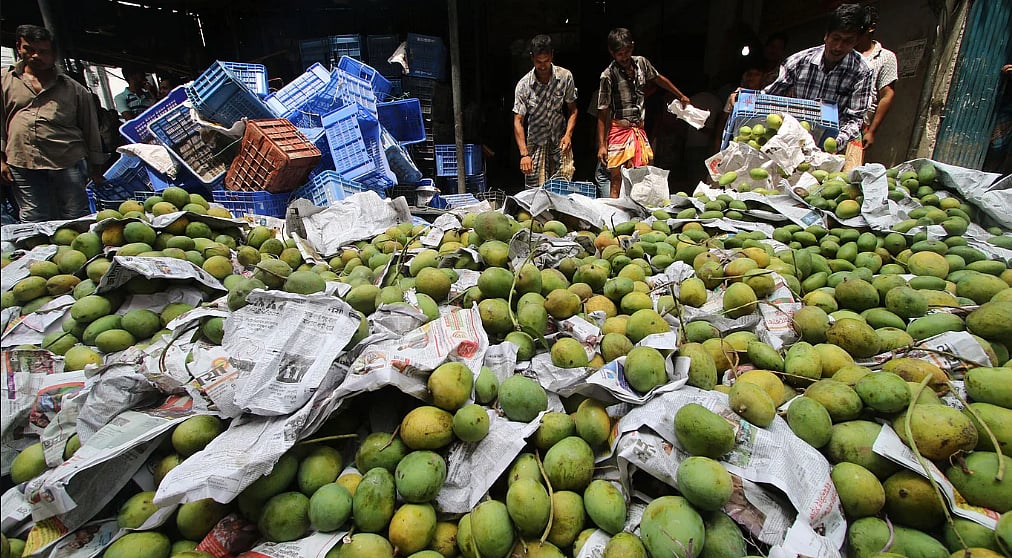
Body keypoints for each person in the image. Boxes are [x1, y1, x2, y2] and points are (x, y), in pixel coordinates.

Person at [1, 24, 104, 222]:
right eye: (29, 50)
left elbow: (90, 129)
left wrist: (96, 168)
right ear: (18, 47)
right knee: (33, 215)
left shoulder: (74, 90)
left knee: (75, 216)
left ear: (54, 54)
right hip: (22, 159)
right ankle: (38, 252)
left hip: (66, 160)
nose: (36, 56)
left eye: (43, 51)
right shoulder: (6, 81)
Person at [763, 3, 874, 151]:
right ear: (826, 35)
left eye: (847, 41)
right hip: (791, 142)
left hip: (831, 148)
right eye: (836, 38)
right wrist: (742, 98)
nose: (838, 47)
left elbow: (855, 119)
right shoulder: (798, 62)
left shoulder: (862, 71)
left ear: (856, 42)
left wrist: (833, 143)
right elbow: (769, 97)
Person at [597, 28, 691, 197]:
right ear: (612, 52)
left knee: (643, 175)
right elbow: (602, 113)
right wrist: (602, 145)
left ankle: (640, 215)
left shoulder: (641, 63)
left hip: (639, 130)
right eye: (620, 54)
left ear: (633, 47)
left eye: (627, 52)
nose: (624, 57)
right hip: (619, 131)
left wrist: (680, 95)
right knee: (616, 177)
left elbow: (658, 79)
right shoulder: (608, 75)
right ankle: (615, 215)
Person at [512, 34, 578, 188]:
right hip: (535, 144)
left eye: (546, 61)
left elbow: (573, 110)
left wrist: (568, 135)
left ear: (552, 55)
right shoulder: (524, 85)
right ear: (531, 57)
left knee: (562, 189)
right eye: (538, 62)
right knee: (535, 193)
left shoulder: (565, 77)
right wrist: (524, 154)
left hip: (560, 142)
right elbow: (518, 120)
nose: (542, 66)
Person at [857, 6, 898, 149]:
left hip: (860, 127)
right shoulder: (842, 52)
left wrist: (872, 131)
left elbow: (887, 95)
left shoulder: (886, 57)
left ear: (871, 28)